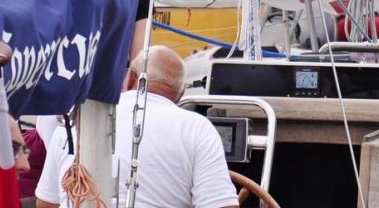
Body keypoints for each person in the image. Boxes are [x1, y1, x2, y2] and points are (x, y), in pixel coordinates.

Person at [35, 46, 239, 208]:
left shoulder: (77, 120)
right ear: (181, 93)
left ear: (130, 77)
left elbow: (46, 203)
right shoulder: (197, 128)